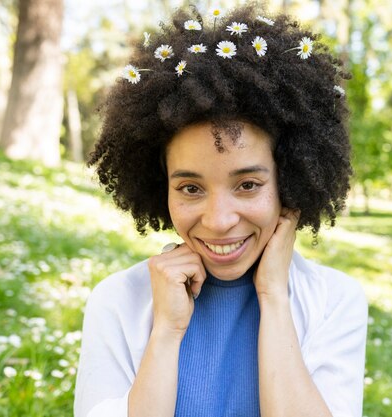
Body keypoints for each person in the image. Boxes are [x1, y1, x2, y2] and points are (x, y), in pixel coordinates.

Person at [74, 4, 368, 417]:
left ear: (290, 178)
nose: (218, 220)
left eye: (247, 185)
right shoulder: (118, 301)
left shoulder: (336, 302)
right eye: (191, 188)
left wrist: (274, 297)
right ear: (162, 186)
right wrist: (166, 332)